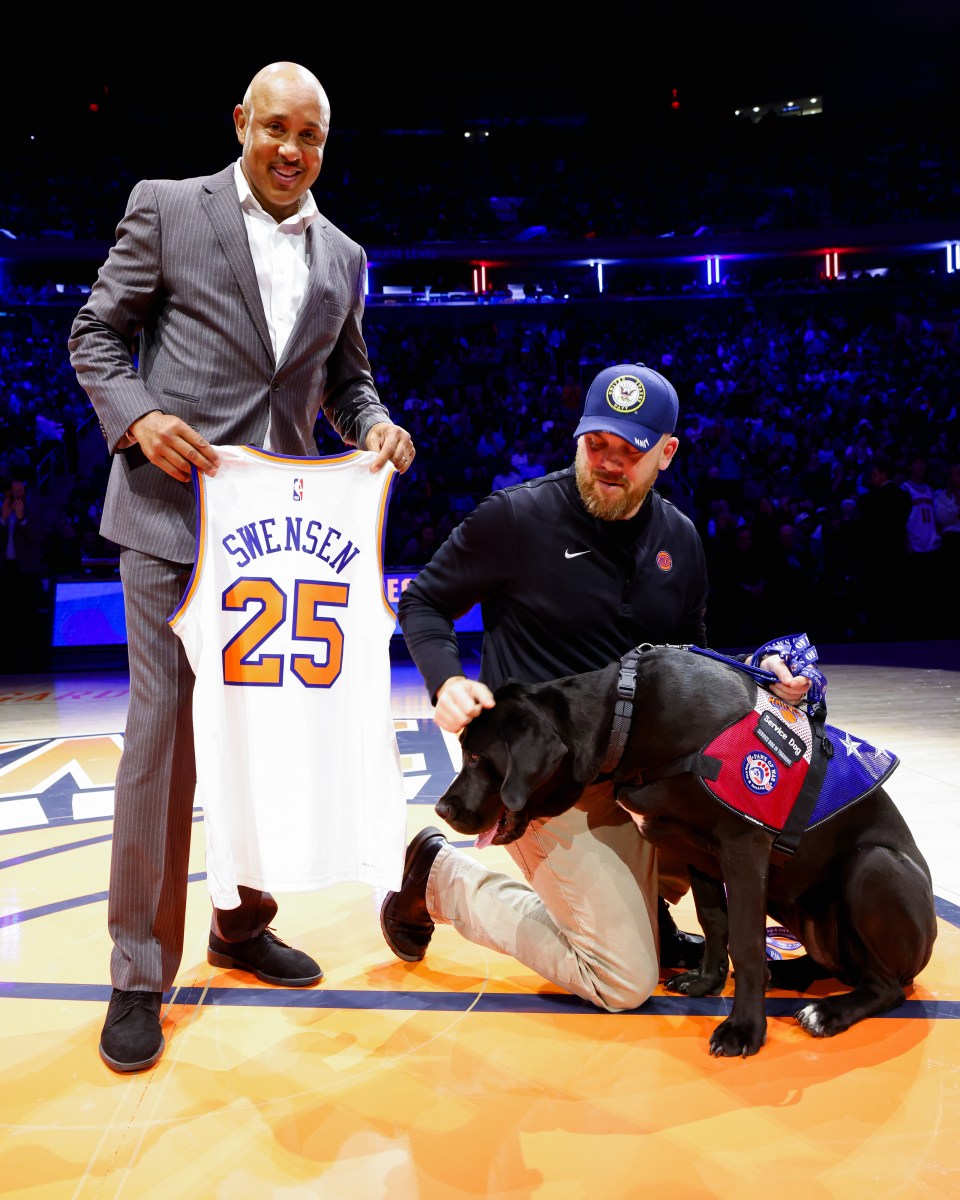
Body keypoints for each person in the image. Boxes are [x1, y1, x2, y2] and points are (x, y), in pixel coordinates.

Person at [68, 61, 415, 1074]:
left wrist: (375, 424)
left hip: (279, 544)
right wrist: (140, 417)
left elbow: (346, 381)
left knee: (267, 740)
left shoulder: (344, 255)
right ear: (240, 124)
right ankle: (139, 974)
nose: (291, 150)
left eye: (310, 136)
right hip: (170, 524)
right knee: (163, 743)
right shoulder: (168, 208)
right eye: (276, 129)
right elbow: (95, 336)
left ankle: (241, 924)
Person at [382, 363, 811, 1016]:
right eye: (596, 443)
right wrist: (446, 679)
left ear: (666, 453)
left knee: (735, 829)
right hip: (538, 776)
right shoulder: (517, 517)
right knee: (623, 979)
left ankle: (641, 909)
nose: (608, 462)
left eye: (629, 450)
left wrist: (762, 676)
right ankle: (439, 878)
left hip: (638, 777)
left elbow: (688, 662)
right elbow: (424, 601)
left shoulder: (680, 541)